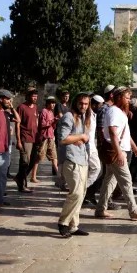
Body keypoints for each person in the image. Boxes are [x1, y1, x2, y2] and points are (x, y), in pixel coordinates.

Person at [95, 87, 137, 221]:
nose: (129, 100)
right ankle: (133, 210)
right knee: (126, 180)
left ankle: (100, 209)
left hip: (117, 150)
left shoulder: (120, 112)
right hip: (115, 151)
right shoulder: (114, 111)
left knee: (109, 181)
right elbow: (112, 133)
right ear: (119, 97)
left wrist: (134, 147)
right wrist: (119, 153)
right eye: (127, 98)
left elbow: (125, 133)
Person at [57, 93, 92, 237]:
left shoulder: (84, 118)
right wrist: (80, 137)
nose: (83, 106)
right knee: (76, 193)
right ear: (75, 103)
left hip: (82, 159)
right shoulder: (69, 117)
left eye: (86, 104)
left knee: (81, 194)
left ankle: (73, 225)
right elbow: (62, 138)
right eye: (81, 103)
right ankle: (63, 222)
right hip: (71, 160)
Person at [14, 89, 38, 192]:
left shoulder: (35, 107)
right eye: (33, 95)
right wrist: (18, 140)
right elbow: (17, 124)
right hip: (25, 137)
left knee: (33, 161)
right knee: (25, 162)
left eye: (36, 96)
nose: (35, 98)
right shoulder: (21, 107)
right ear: (27, 96)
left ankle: (19, 178)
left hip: (34, 138)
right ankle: (22, 185)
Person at [30, 96, 58, 183]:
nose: (53, 105)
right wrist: (53, 121)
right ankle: (33, 176)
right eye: (52, 103)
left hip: (51, 137)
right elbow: (42, 124)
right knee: (39, 156)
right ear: (48, 103)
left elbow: (53, 126)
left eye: (54, 103)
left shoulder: (51, 112)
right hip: (44, 137)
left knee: (54, 156)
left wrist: (55, 121)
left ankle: (59, 176)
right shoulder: (44, 111)